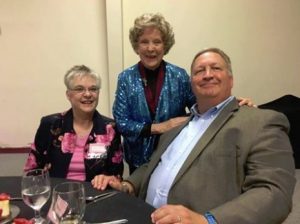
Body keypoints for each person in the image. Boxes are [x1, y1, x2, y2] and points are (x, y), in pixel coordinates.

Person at [92, 48, 296, 224]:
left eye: (216, 68)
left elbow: (274, 193)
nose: (207, 74)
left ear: (231, 80)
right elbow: (152, 165)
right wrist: (128, 185)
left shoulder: (260, 122)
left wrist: (207, 220)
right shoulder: (176, 126)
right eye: (199, 71)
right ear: (191, 83)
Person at [113, 13, 254, 174]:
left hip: (173, 154)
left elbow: (204, 105)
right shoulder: (125, 77)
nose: (150, 48)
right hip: (137, 160)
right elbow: (121, 122)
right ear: (136, 46)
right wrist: (159, 127)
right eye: (144, 42)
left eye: (157, 42)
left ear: (165, 45)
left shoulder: (179, 75)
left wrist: (233, 104)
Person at [24, 65, 123, 182]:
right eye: (79, 89)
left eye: (93, 89)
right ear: (68, 95)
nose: (87, 94)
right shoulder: (50, 125)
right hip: (56, 192)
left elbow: (116, 176)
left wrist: (108, 180)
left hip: (95, 195)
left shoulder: (110, 128)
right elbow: (32, 170)